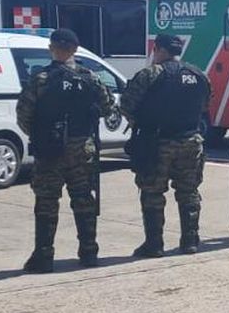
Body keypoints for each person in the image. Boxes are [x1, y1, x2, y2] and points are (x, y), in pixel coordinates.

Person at [16, 28, 116, 273]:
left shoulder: (40, 79)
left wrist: (41, 134)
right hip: (83, 149)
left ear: (52, 48)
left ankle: (43, 255)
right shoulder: (90, 78)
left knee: (47, 202)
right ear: (75, 49)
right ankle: (89, 252)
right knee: (83, 200)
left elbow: (24, 116)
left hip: (50, 149)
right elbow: (107, 108)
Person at [120, 33, 211, 256]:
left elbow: (127, 104)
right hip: (190, 140)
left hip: (157, 143)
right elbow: (206, 103)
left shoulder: (150, 74)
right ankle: (190, 240)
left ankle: (154, 244)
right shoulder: (198, 74)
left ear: (158, 48)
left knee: (152, 192)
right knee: (189, 191)